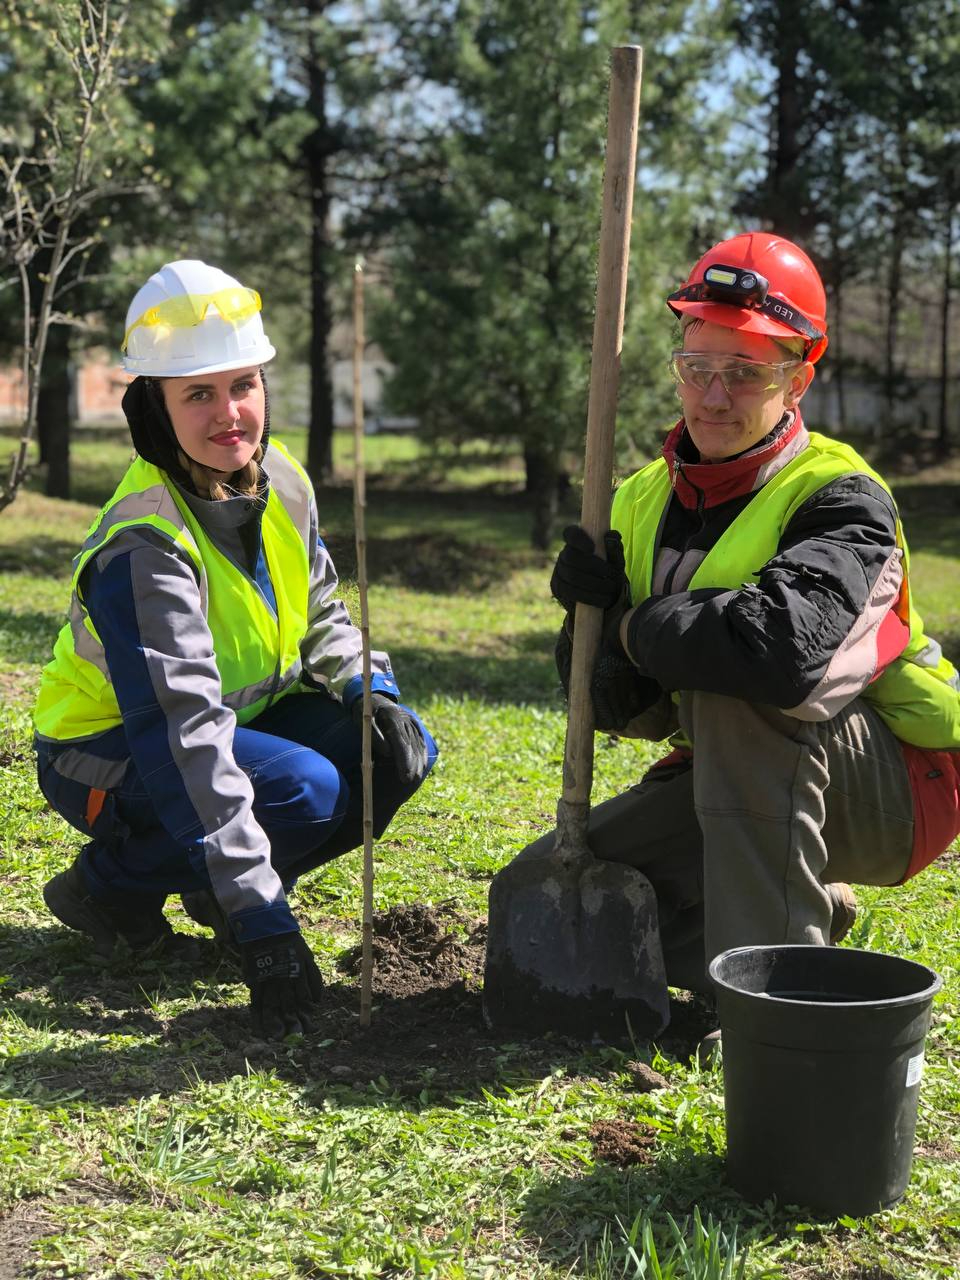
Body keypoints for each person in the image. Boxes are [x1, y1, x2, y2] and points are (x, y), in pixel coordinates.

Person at [542, 230, 960, 1009]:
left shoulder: (841, 498)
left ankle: (778, 1009)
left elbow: (773, 659)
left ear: (797, 382)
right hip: (738, 780)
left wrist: (633, 627)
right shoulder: (635, 500)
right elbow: (612, 705)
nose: (713, 395)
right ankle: (803, 909)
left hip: (898, 786)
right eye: (696, 369)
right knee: (564, 879)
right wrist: (584, 626)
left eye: (746, 373)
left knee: (739, 690)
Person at [33, 259, 437, 1039]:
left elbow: (321, 608)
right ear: (151, 406)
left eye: (243, 385)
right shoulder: (145, 543)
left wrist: (367, 690)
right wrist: (267, 924)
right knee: (305, 791)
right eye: (198, 394)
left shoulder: (279, 477)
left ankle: (214, 886)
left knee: (389, 748)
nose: (230, 414)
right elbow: (183, 739)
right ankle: (108, 888)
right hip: (107, 751)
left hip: (234, 726)